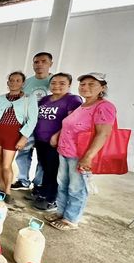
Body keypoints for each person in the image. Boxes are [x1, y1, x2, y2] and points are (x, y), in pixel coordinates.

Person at [49, 73, 115, 230]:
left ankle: (71, 219)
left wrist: (88, 157)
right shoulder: (83, 105)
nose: (85, 87)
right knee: (63, 184)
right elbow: (70, 125)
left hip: (80, 155)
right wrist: (57, 135)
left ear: (102, 88)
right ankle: (61, 212)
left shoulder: (104, 107)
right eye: (83, 84)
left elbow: (103, 133)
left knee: (76, 188)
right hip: (65, 151)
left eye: (91, 84)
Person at [0, 72, 38, 205]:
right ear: (8, 82)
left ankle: (7, 193)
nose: (14, 83)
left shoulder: (29, 99)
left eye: (18, 80)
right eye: (11, 80)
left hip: (14, 134)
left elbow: (32, 120)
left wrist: (24, 137)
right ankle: (2, 189)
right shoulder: (0, 99)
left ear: (23, 83)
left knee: (6, 165)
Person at [31, 73, 82, 212]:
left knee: (53, 170)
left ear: (69, 85)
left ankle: (51, 199)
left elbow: (72, 122)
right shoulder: (45, 99)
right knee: (45, 167)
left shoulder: (73, 100)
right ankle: (43, 193)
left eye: (62, 83)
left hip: (56, 142)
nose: (56, 86)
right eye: (53, 83)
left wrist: (57, 135)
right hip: (41, 140)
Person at [12, 52, 53, 192]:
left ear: (50, 64)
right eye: (36, 62)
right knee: (23, 152)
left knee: (43, 157)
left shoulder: (55, 82)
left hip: (47, 126)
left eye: (44, 61)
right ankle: (23, 180)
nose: (39, 64)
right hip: (28, 124)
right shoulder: (27, 82)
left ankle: (38, 184)